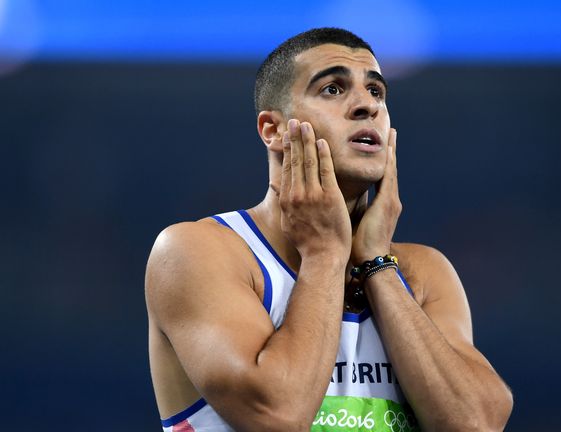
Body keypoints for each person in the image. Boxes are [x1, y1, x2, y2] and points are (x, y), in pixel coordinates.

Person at [145, 27, 513, 432]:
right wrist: (324, 255)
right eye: (334, 89)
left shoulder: (422, 272)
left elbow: (477, 424)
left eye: (376, 92)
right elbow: (278, 416)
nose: (366, 106)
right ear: (273, 130)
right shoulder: (196, 252)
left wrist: (375, 262)